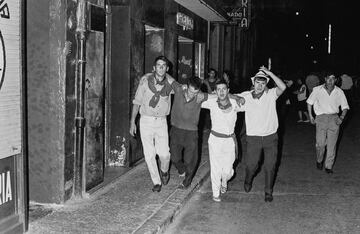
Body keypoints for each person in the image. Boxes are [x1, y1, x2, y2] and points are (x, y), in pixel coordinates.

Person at [239, 66, 286, 202]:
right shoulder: (245, 96)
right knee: (251, 165)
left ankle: (268, 191)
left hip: (271, 137)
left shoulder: (271, 95)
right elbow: (232, 102)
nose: (260, 86)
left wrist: (270, 73)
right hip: (253, 138)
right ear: (253, 83)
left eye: (263, 83)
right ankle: (248, 179)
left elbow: (282, 87)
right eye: (257, 83)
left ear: (266, 84)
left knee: (270, 165)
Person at [129, 56, 175, 192]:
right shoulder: (144, 82)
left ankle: (164, 171)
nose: (160, 67)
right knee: (149, 154)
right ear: (154, 68)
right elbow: (137, 102)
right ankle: (156, 181)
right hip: (146, 120)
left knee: (165, 155)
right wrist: (132, 122)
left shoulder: (171, 83)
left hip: (161, 121)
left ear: (167, 68)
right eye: (158, 65)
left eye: (163, 65)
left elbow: (183, 91)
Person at [201, 79, 245, 202]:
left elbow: (248, 103)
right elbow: (197, 99)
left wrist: (238, 97)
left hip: (229, 140)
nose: (221, 92)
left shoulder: (234, 102)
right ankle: (216, 193)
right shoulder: (211, 102)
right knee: (215, 168)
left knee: (228, 170)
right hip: (215, 139)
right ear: (215, 91)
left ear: (228, 90)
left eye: (224, 89)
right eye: (218, 89)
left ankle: (224, 180)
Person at [170, 77, 209, 189]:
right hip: (176, 130)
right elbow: (168, 78)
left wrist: (235, 96)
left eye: (195, 92)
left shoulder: (200, 96)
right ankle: (181, 169)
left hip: (191, 132)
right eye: (191, 91)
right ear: (186, 87)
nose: (192, 94)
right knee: (174, 158)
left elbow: (218, 96)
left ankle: (187, 181)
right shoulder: (178, 89)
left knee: (190, 160)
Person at [306, 72, 349, 174]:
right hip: (321, 118)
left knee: (331, 145)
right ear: (325, 79)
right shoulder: (317, 90)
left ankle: (328, 166)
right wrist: (311, 116)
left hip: (334, 119)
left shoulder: (339, 91)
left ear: (336, 80)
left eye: (333, 78)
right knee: (320, 144)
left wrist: (341, 117)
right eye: (328, 78)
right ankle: (319, 160)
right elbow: (309, 102)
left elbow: (345, 107)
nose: (330, 80)